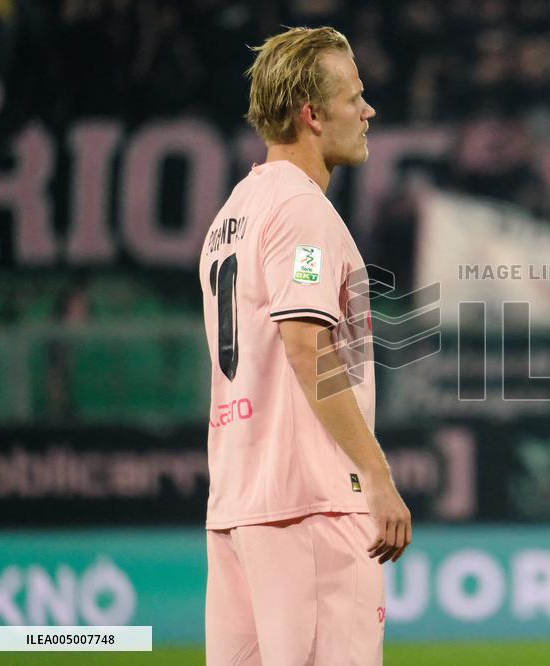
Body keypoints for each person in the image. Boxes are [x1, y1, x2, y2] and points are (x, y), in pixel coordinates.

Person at [199, 26, 410, 665]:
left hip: (239, 506)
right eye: (355, 98)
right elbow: (305, 345)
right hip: (310, 506)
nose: (368, 111)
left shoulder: (233, 214)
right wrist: (376, 475)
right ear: (312, 114)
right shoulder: (304, 214)